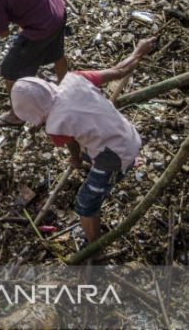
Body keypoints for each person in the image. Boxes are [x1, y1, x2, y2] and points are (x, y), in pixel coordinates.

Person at [10, 37, 156, 246]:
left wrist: (76, 161)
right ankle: (120, 163)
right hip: (128, 134)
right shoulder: (75, 79)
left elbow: (73, 148)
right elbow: (119, 71)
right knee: (92, 149)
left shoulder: (55, 126)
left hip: (117, 156)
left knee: (85, 205)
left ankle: (95, 247)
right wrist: (138, 52)